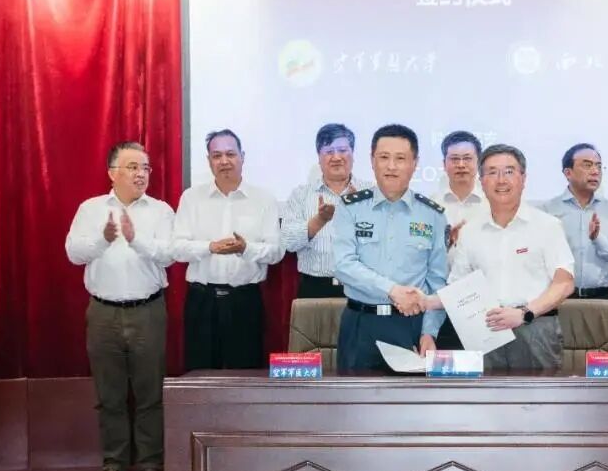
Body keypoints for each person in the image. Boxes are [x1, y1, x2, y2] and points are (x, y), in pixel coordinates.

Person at [64, 142, 173, 471]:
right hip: (103, 312)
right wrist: (104, 239)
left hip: (148, 311)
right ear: (112, 173)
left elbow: (169, 255)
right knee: (109, 394)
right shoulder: (91, 208)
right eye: (132, 167)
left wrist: (135, 239)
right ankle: (114, 462)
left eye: (145, 167)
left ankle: (151, 462)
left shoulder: (160, 211)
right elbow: (73, 253)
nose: (141, 174)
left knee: (150, 393)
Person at [437, 144, 575, 369]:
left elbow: (564, 282)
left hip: (534, 327)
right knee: (484, 391)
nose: (501, 180)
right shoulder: (470, 231)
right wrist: (424, 302)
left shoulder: (547, 226)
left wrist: (525, 313)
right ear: (482, 181)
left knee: (540, 392)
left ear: (523, 178)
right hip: (483, 329)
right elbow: (458, 286)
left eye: (509, 171)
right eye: (492, 172)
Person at [331, 124, 448, 370]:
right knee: (353, 395)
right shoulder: (351, 207)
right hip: (361, 324)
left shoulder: (432, 215)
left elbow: (437, 281)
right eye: (384, 157)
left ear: (415, 163)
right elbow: (343, 265)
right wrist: (392, 290)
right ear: (372, 161)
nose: (391, 166)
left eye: (400, 158)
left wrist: (429, 332)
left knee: (409, 396)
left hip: (410, 326)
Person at [172, 129, 283, 370]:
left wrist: (245, 248)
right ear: (209, 161)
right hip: (202, 300)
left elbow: (276, 252)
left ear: (242, 156)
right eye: (217, 155)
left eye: (231, 154)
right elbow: (177, 249)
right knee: (199, 373)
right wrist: (209, 247)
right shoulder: (191, 198)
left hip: (244, 300)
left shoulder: (264, 199)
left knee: (245, 374)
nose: (224, 161)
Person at [281, 123, 372, 298]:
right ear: (319, 157)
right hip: (315, 288)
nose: (336, 157)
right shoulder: (301, 195)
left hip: (362, 287)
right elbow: (288, 243)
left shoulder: (371, 193)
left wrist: (360, 216)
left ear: (353, 154)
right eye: (329, 152)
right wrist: (320, 220)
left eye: (342, 150)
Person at [541, 143, 608, 299]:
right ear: (568, 173)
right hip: (560, 298)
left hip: (601, 297)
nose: (595, 171)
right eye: (587, 165)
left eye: (598, 166)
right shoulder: (548, 210)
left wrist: (598, 239)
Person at [432, 130, 488, 349]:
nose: (461, 165)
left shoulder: (493, 204)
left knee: (486, 366)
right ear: (444, 164)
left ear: (478, 162)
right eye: (454, 159)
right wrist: (445, 244)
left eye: (467, 159)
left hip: (484, 302)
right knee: (444, 364)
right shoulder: (430, 205)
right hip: (440, 301)